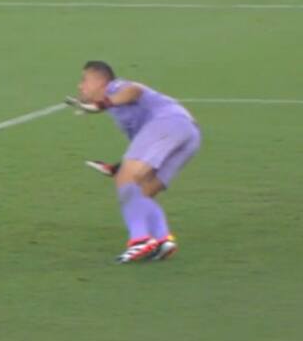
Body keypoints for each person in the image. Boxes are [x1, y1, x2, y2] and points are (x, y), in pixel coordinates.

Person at [65, 61, 201, 264]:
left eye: (84, 80)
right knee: (142, 191)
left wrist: (103, 104)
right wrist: (117, 167)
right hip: (189, 136)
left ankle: (140, 240)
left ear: (100, 82)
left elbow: (135, 90)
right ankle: (163, 240)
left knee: (126, 180)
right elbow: (146, 153)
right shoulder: (120, 110)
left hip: (168, 122)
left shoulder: (115, 87)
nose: (80, 85)